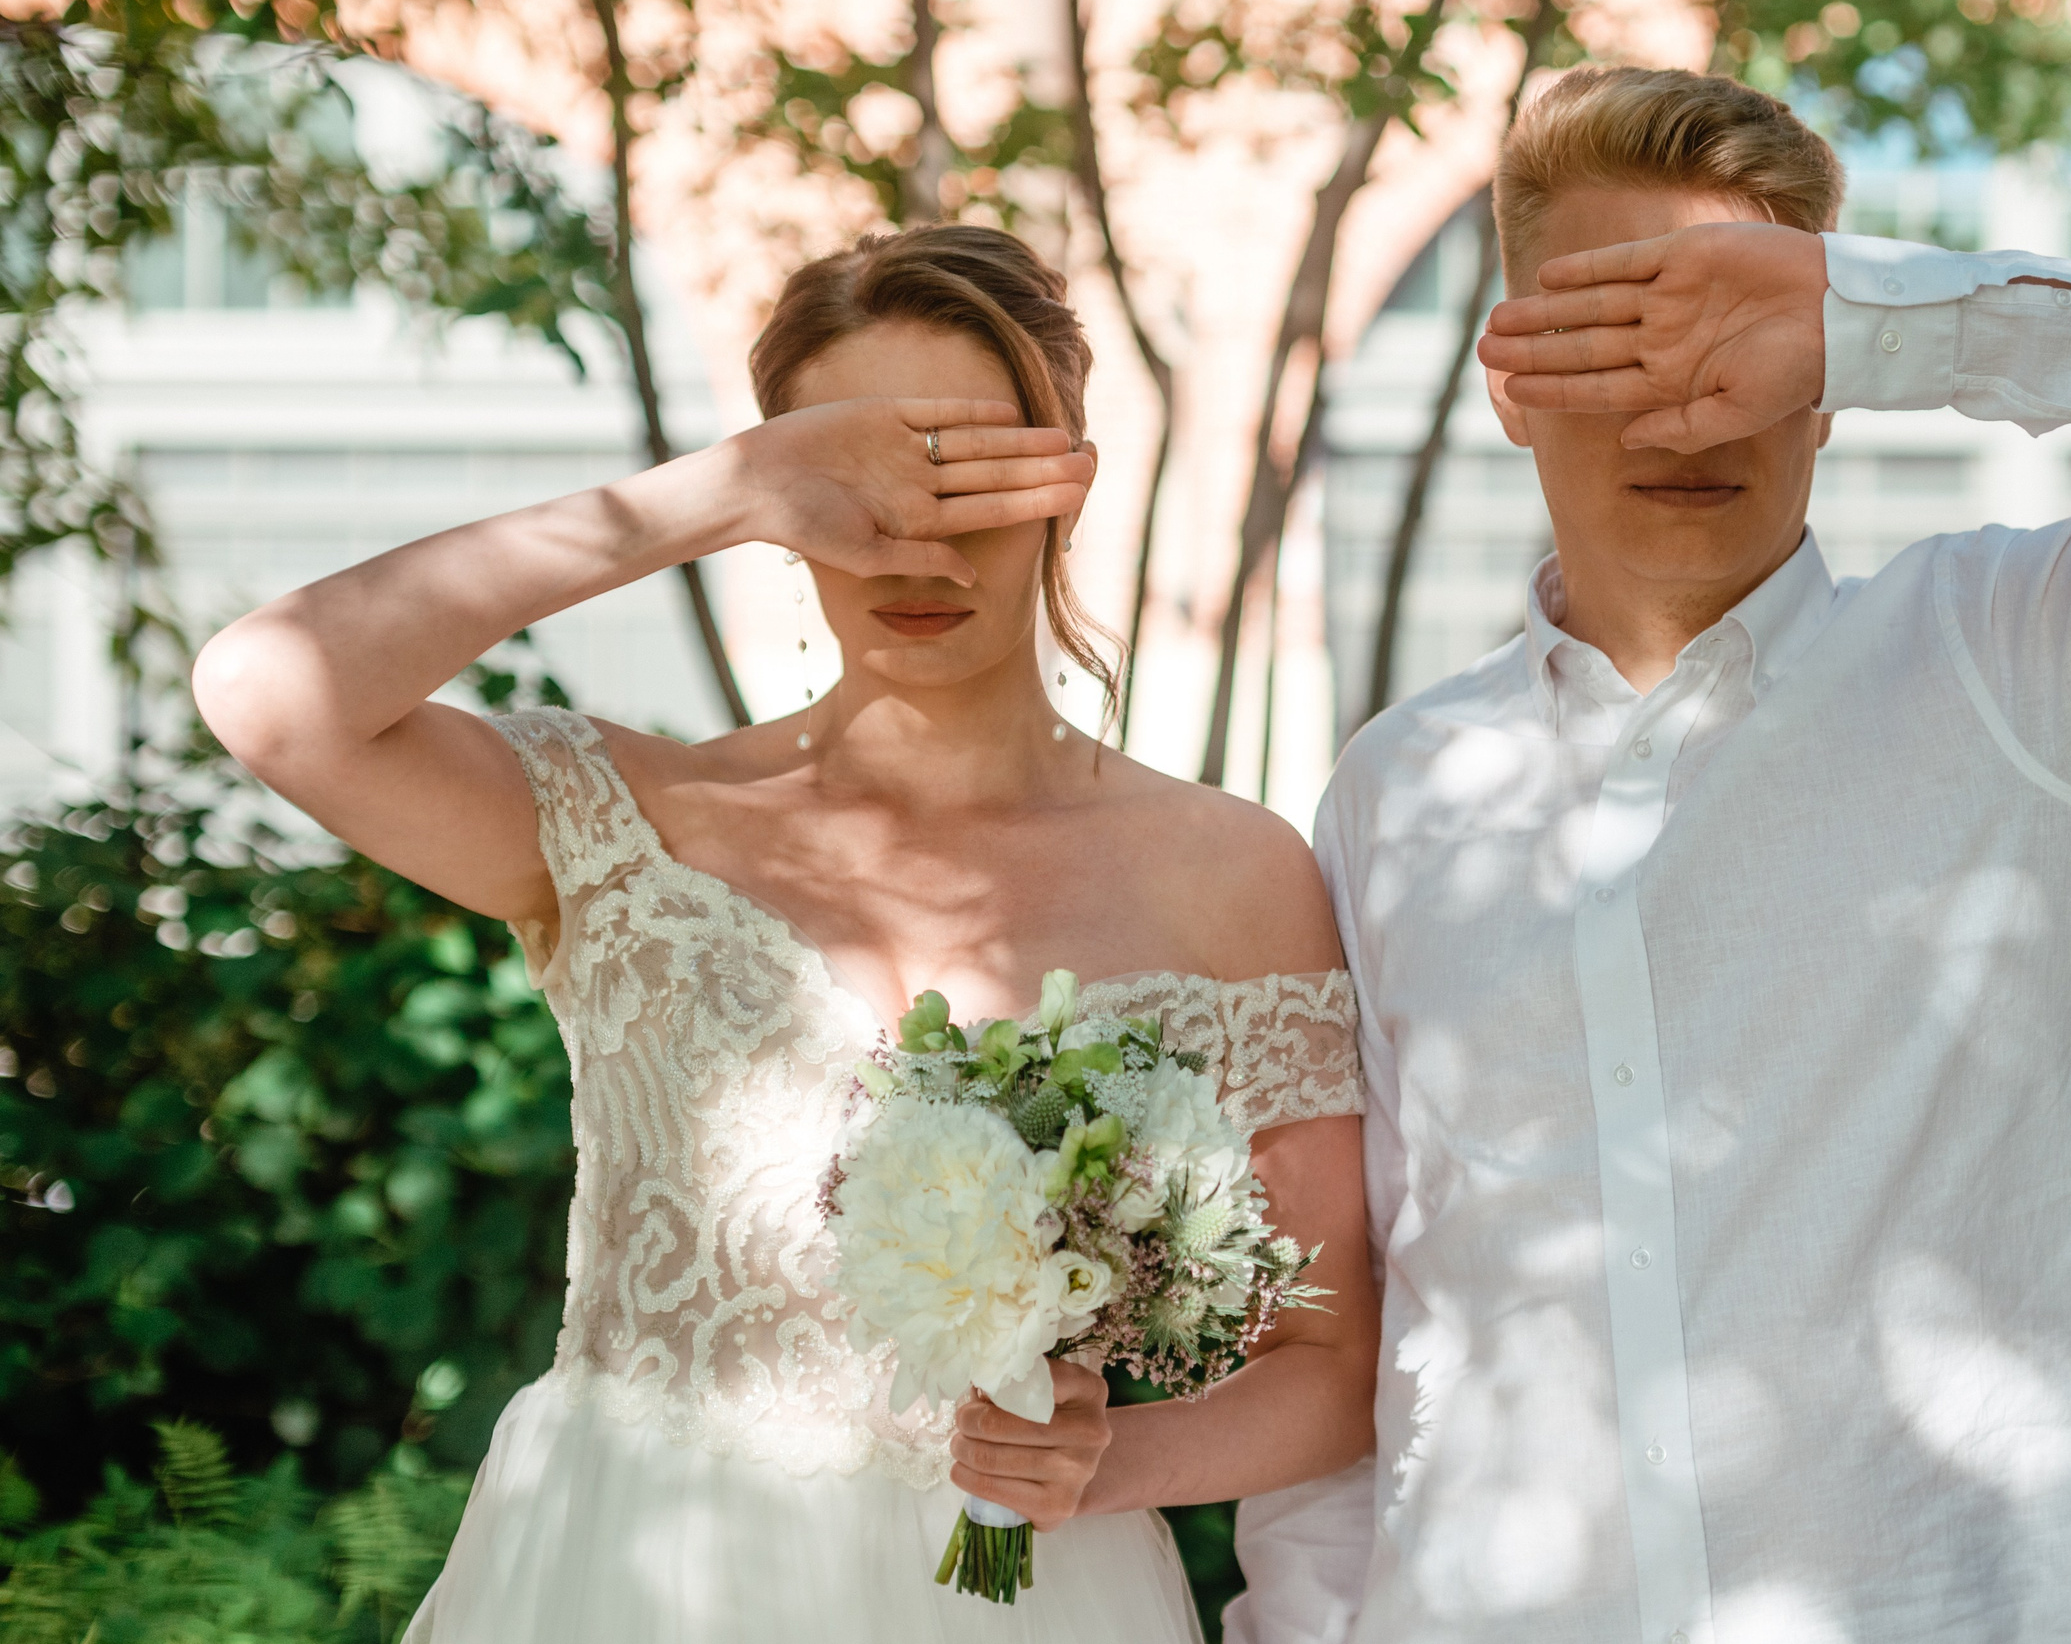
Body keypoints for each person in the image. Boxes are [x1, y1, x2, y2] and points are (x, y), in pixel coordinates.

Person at [1225, 66, 2071, 1644]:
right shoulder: (1396, 787)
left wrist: (1892, 320)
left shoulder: (2029, 672)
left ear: (1823, 374)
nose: (1686, 401)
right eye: (1619, 331)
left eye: (1731, 336)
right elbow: (1372, 1305)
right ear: (1515, 379)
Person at [191, 225, 1380, 1644]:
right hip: (632, 1588)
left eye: (963, 471)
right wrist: (715, 493)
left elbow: (1332, 1362)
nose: (915, 537)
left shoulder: (1232, 875)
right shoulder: (633, 821)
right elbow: (269, 693)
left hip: (1028, 1599)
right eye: (857, 480)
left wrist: (1110, 1459)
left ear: (1064, 474)